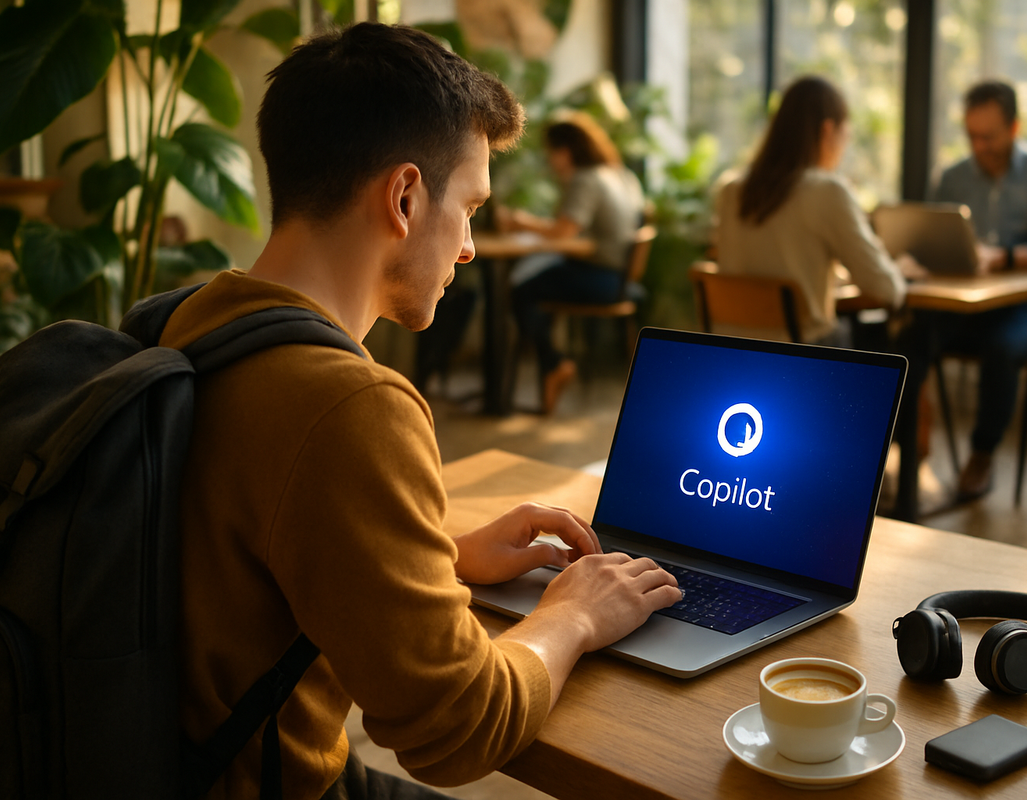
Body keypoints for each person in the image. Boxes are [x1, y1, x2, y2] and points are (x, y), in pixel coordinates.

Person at [158, 24, 681, 799]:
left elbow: (252, 542)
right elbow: (457, 729)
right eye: (469, 206)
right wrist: (573, 614)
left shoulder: (192, 320)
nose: (468, 246)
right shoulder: (347, 403)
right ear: (404, 197)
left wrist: (439, 555)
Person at [908, 80, 1027, 499]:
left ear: (1014, 128)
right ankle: (904, 446)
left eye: (989, 136)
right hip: (966, 309)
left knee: (1002, 347)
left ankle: (981, 454)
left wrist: (1000, 257)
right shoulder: (952, 178)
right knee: (911, 337)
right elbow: (930, 237)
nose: (979, 146)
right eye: (971, 136)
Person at [713, 75, 916, 346]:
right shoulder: (826, 191)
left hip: (733, 353)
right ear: (828, 131)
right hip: (804, 357)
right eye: (846, 136)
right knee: (902, 335)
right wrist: (898, 272)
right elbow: (884, 288)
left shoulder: (731, 190)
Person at [501, 112, 645, 413]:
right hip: (623, 280)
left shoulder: (586, 178)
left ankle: (554, 363)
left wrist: (518, 221)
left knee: (521, 289)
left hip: (601, 278)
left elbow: (564, 231)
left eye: (550, 152)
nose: (550, 161)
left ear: (564, 151)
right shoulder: (620, 174)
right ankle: (552, 364)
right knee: (537, 279)